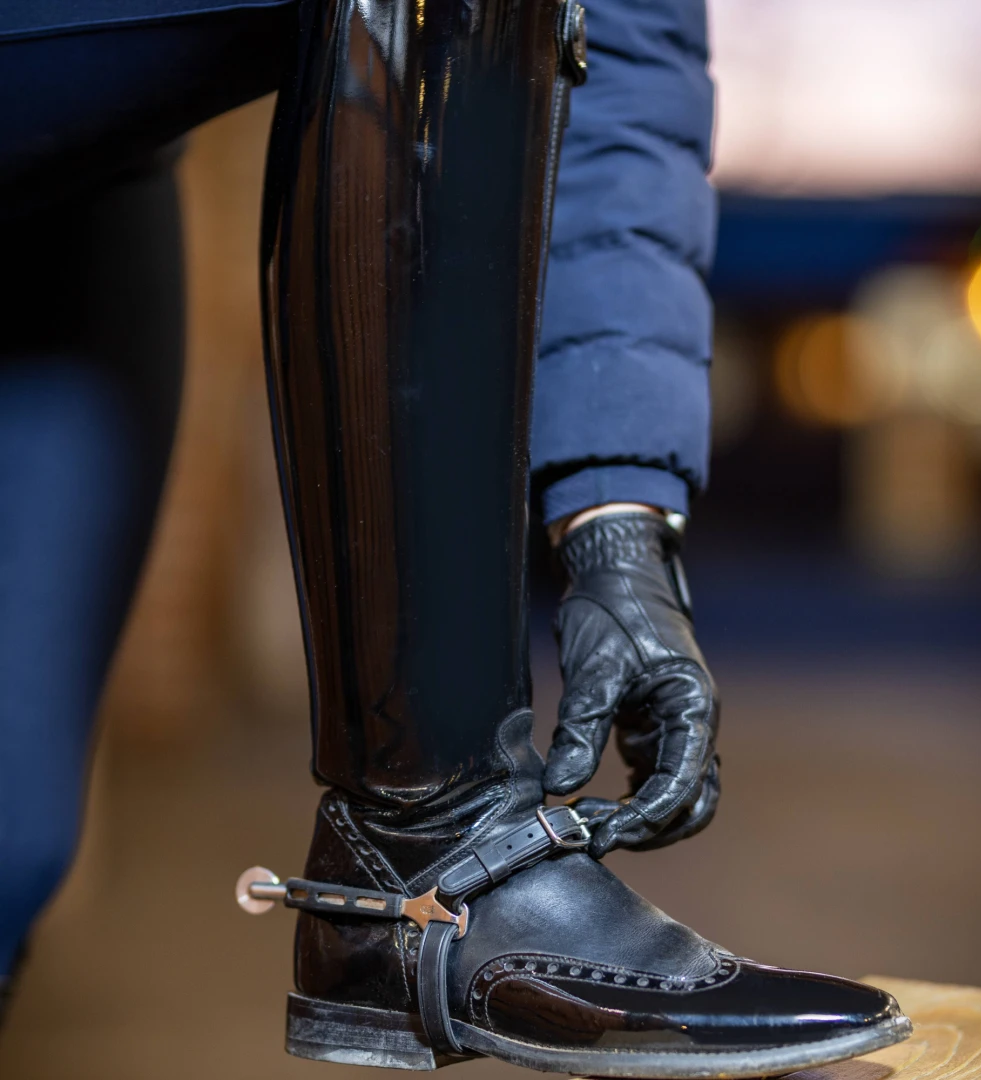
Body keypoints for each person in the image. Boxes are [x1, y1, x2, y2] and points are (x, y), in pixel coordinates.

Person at [0, 0, 911, 1072]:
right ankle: (426, 836)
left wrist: (618, 530)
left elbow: (612, 39)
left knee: (13, 852)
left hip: (80, 198)